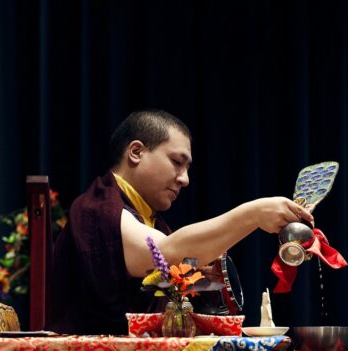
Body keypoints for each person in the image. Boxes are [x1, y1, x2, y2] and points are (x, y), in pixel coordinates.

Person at [49, 109, 313, 335]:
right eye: (177, 162)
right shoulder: (97, 208)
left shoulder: (149, 220)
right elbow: (163, 255)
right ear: (136, 152)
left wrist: (198, 279)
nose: (184, 179)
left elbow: (163, 269)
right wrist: (253, 214)